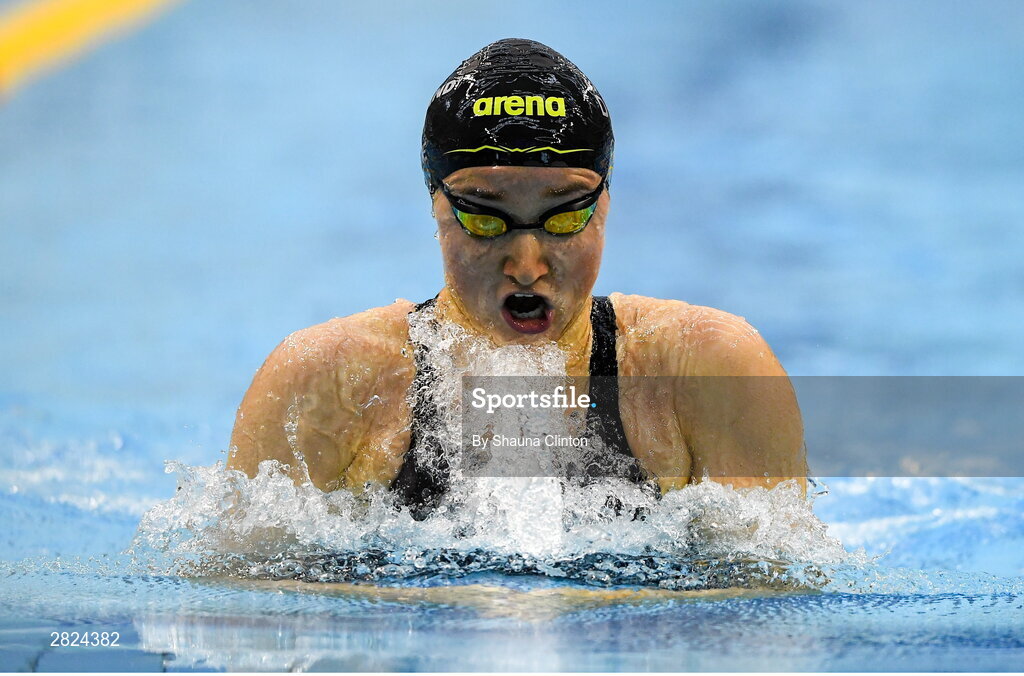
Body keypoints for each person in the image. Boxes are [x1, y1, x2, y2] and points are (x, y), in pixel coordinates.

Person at [227, 38, 807, 518]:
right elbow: (240, 614)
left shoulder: (705, 369)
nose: (527, 265)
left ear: (605, 205)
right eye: (485, 217)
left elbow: (766, 618)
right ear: (436, 207)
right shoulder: (328, 380)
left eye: (564, 217)